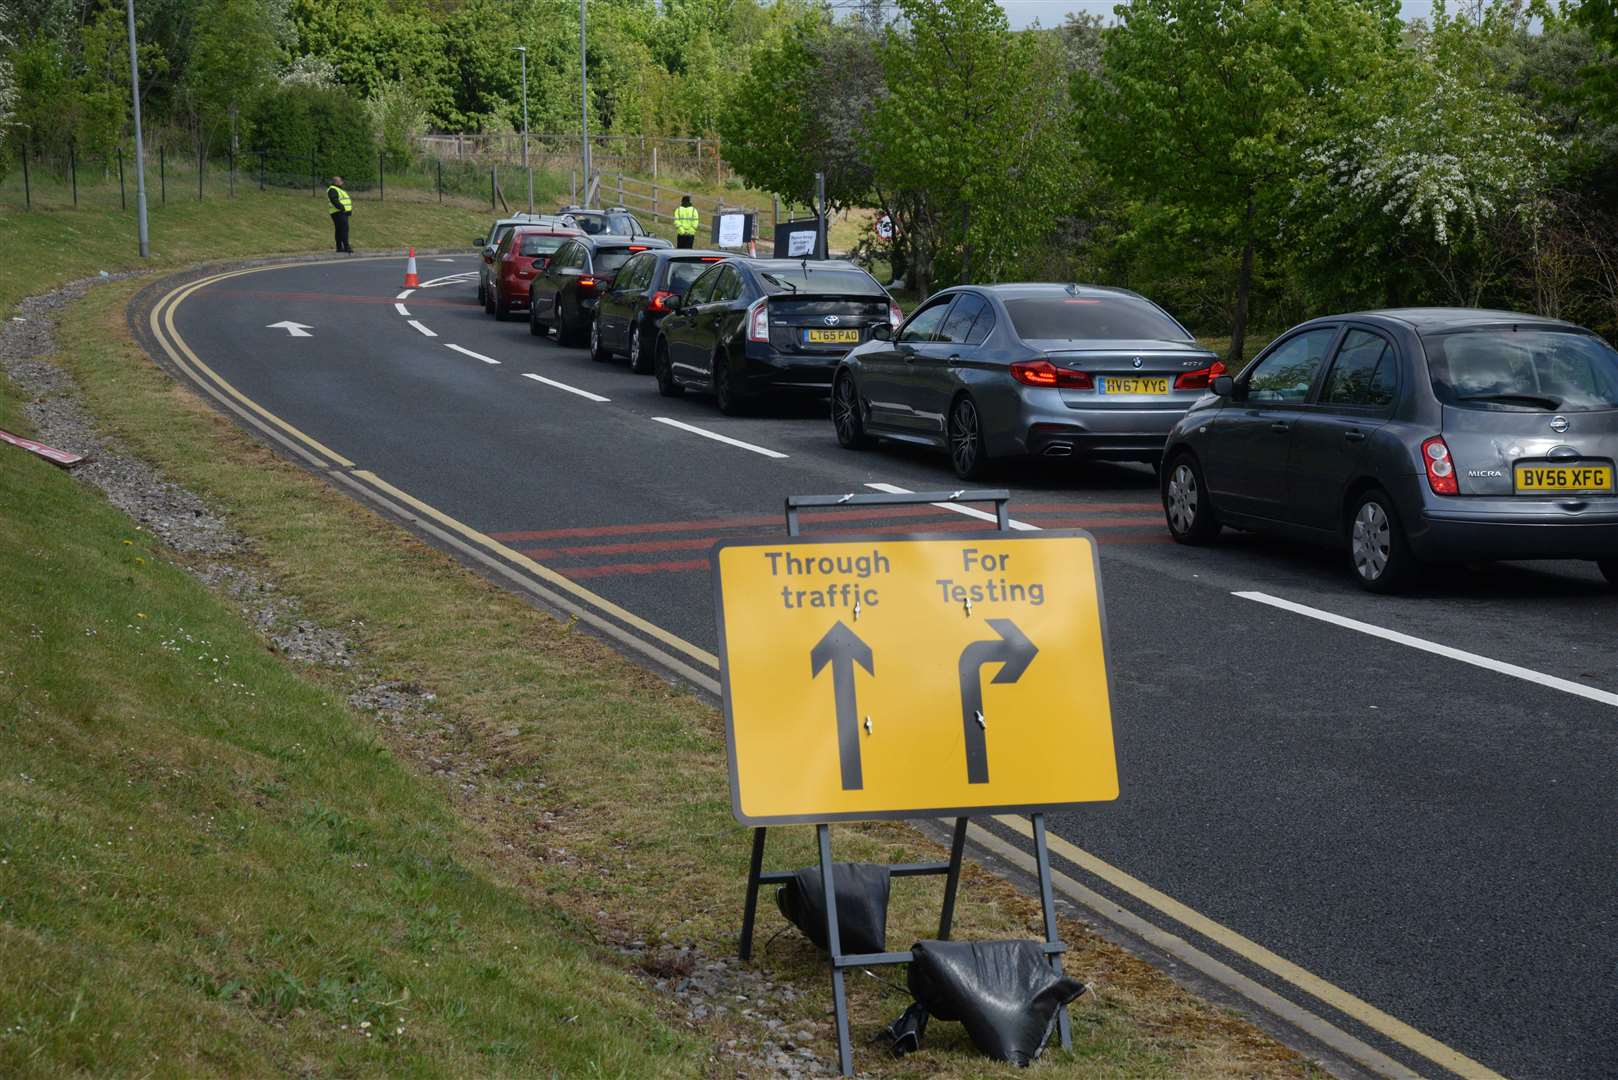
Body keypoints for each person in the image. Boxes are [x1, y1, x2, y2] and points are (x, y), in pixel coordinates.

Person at [326, 176, 354, 253]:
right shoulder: (333, 189)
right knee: (344, 229)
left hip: (341, 212)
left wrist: (348, 210)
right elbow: (334, 200)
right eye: (341, 181)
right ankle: (346, 247)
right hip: (339, 212)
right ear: (336, 182)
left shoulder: (338, 189)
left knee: (339, 230)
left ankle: (339, 247)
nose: (342, 182)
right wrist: (341, 208)